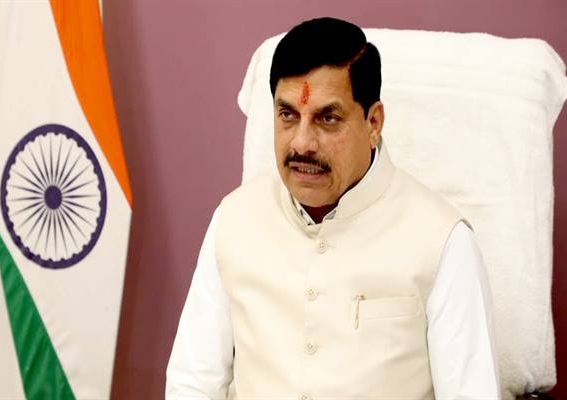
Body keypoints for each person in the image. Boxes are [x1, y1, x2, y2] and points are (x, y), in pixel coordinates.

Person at [166, 17, 499, 399]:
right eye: (288, 115)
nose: (302, 143)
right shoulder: (234, 221)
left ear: (373, 122)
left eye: (327, 119)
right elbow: (192, 384)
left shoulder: (441, 240)